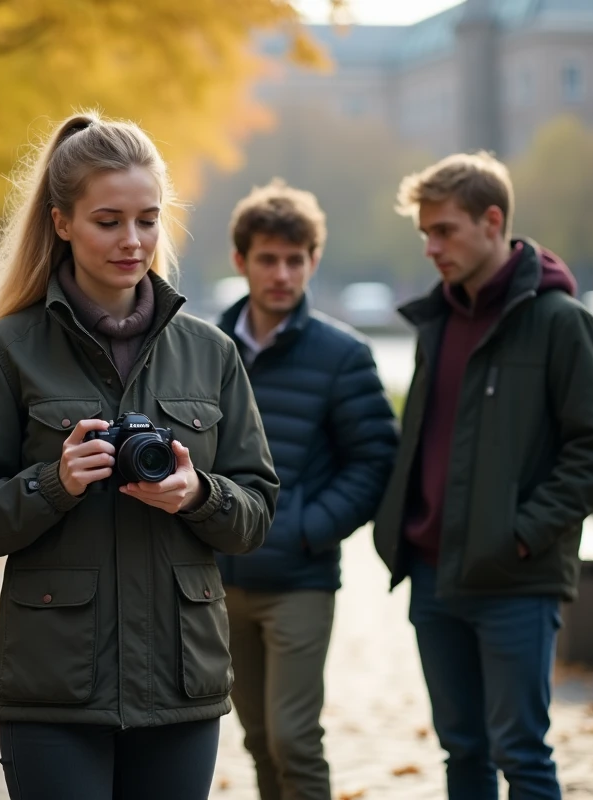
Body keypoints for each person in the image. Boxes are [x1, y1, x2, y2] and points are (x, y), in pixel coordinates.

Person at [0, 113, 280, 800]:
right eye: (108, 221)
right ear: (62, 222)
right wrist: (52, 484)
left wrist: (198, 494)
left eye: (148, 219)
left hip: (180, 683)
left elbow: (257, 511)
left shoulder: (210, 352)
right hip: (54, 689)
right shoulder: (4, 352)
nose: (133, 240)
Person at [372, 151, 593, 800]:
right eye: (424, 233)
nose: (431, 248)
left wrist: (520, 535)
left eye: (444, 230)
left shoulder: (561, 323)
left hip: (514, 579)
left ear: (492, 221)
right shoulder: (438, 321)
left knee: (522, 753)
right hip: (433, 574)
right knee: (463, 751)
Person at [215, 179, 398, 800]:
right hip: (219, 578)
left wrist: (304, 529)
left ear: (313, 261)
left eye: (295, 260)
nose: (282, 274)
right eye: (268, 259)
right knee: (258, 737)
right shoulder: (205, 348)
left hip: (299, 581)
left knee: (294, 739)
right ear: (241, 260)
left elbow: (374, 460)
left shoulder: (342, 354)